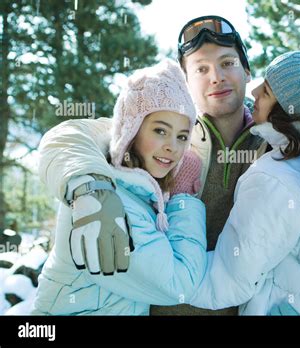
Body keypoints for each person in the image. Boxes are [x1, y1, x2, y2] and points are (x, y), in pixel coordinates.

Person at [38, 15, 266, 315]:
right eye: (201, 68)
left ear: (247, 72)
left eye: (227, 63)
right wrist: (92, 190)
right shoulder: (149, 126)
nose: (216, 77)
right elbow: (65, 138)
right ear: (186, 82)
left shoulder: (272, 145)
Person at [188, 49, 300, 315]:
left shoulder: (276, 179)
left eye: (267, 91)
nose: (254, 91)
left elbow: (225, 283)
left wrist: (151, 262)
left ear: (291, 112)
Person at [32, 60, 207, 315]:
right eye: (160, 130)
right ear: (132, 131)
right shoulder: (115, 203)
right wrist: (184, 198)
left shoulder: (141, 193)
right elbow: (180, 284)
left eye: (182, 136)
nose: (173, 147)